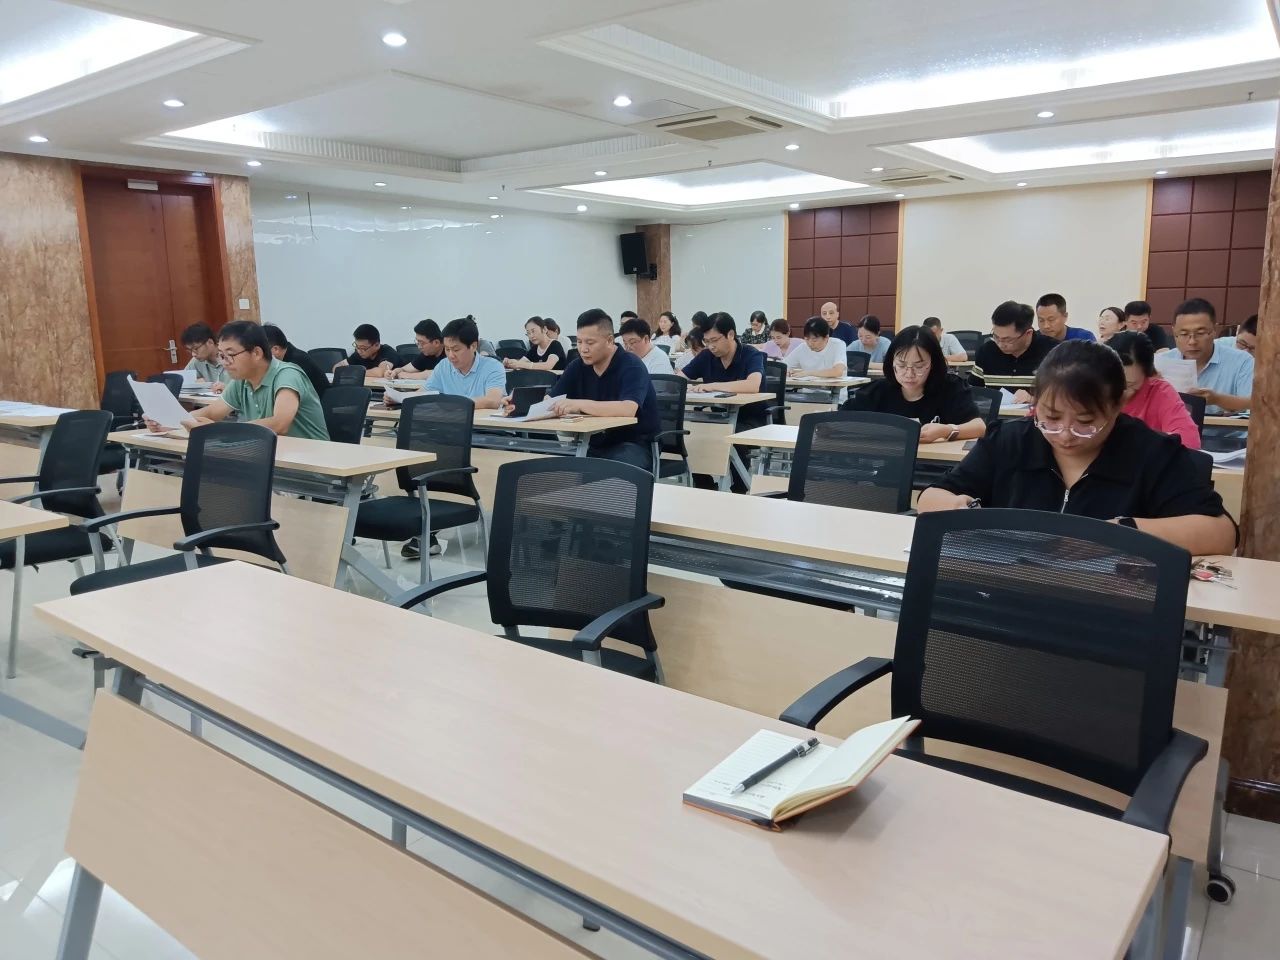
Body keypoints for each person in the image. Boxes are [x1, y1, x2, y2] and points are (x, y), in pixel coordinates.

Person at [919, 340, 1236, 557]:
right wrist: (958, 509)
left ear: (1117, 406)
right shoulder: (1010, 441)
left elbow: (1222, 533)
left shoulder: (1151, 453)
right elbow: (930, 497)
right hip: (1012, 592)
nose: (1065, 435)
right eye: (1051, 418)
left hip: (1111, 607)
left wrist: (1121, 534)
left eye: (1085, 422)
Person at [155, 321, 329, 440]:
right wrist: (169, 422)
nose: (225, 363)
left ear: (257, 353)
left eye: (230, 355)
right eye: (221, 356)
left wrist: (219, 430)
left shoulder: (287, 374)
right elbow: (211, 413)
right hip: (267, 457)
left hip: (309, 465)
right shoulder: (241, 380)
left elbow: (280, 424)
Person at [541, 308, 660, 471]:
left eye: (590, 343)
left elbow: (628, 409)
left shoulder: (632, 365)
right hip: (591, 443)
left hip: (634, 444)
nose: (583, 349)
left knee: (610, 471)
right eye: (579, 342)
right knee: (550, 468)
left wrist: (578, 404)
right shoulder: (577, 366)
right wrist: (520, 405)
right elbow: (550, 400)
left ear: (610, 340)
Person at [844, 325, 985, 442]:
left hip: (933, 464)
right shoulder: (878, 391)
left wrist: (947, 430)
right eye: (901, 365)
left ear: (933, 363)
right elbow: (841, 421)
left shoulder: (950, 387)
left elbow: (979, 427)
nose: (909, 374)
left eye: (919, 366)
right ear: (891, 362)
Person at [1109, 332, 1200, 449]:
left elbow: (1190, 441)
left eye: (1129, 385)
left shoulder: (1159, 392)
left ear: (1148, 375)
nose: (1119, 391)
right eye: (1111, 382)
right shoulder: (1094, 389)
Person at [1167, 298, 1253, 414]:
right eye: (1184, 334)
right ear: (1174, 332)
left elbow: (1252, 403)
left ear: (1214, 330)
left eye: (1200, 333)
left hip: (1222, 426)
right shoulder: (1161, 362)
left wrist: (1217, 399)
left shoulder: (1242, 361)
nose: (1192, 341)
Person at [406, 316, 506, 409]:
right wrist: (400, 399)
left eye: (456, 350)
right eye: (447, 349)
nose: (450, 355)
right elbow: (422, 394)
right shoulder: (443, 366)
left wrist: (451, 404)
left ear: (473, 346)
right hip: (453, 421)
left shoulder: (493, 366)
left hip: (483, 422)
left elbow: (492, 401)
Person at [971, 300, 1057, 402]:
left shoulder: (1053, 352)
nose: (1001, 344)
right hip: (996, 412)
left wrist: (1033, 399)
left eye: (1008, 340)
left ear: (1028, 333)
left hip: (1036, 412)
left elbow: (1067, 398)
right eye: (996, 337)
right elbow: (972, 392)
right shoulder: (986, 351)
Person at [785, 316, 848, 401]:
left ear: (826, 337)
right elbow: (783, 366)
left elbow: (837, 371)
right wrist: (789, 371)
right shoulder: (802, 347)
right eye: (807, 339)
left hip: (834, 397)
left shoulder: (838, 345)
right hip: (807, 397)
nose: (810, 343)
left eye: (814, 340)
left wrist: (808, 373)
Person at [262, 323, 329, 400]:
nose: (259, 356)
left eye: (261, 351)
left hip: (320, 403)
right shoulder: (289, 355)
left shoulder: (295, 363)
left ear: (276, 349)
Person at [180, 323, 229, 389]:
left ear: (210, 342)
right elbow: (183, 381)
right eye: (190, 350)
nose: (193, 354)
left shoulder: (231, 357)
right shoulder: (196, 361)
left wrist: (227, 388)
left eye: (196, 349)